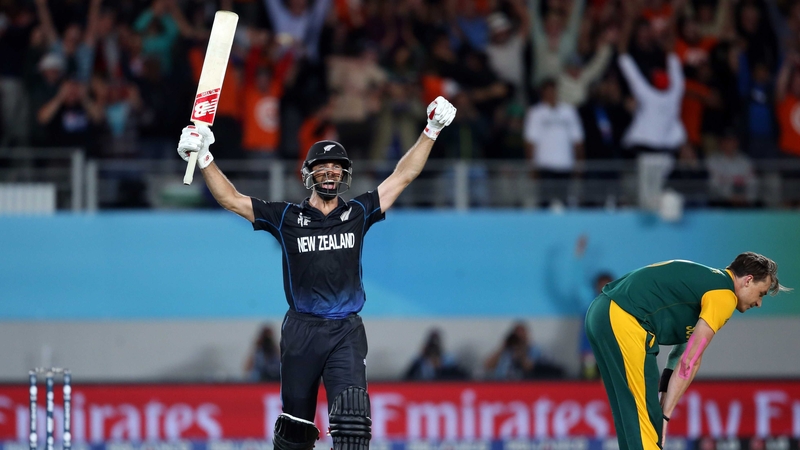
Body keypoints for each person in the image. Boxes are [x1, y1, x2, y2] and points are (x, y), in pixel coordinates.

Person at [176, 96, 456, 450]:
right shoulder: (285, 217)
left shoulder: (357, 212)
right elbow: (231, 199)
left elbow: (403, 175)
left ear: (344, 174)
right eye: (322, 167)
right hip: (301, 331)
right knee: (295, 431)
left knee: (353, 421)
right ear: (308, 174)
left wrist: (431, 130)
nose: (329, 172)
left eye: (336, 167)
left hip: (346, 331)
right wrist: (204, 158)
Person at [585, 252, 790, 450]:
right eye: (761, 293)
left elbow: (679, 354)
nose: (759, 303)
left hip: (600, 314)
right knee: (647, 421)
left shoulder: (705, 282)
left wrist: (664, 403)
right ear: (748, 280)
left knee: (629, 417)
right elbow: (690, 360)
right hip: (626, 320)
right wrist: (663, 416)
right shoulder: (725, 296)